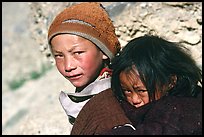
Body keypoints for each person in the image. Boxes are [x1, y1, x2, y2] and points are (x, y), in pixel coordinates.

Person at [47, 2, 130, 134]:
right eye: (59, 55)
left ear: (104, 51)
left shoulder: (110, 110)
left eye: (78, 53)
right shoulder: (93, 96)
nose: (68, 66)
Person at [101, 35, 202, 135]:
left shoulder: (177, 112)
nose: (135, 99)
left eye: (141, 91)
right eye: (127, 91)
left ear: (170, 82)